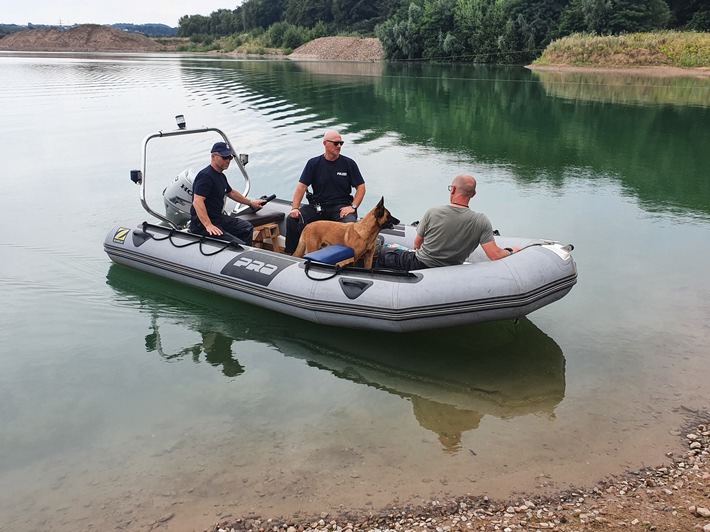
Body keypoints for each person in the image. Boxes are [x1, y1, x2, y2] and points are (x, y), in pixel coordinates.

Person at [377, 174, 521, 270]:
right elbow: (494, 255)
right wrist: (511, 250)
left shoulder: (433, 212)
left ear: (452, 190)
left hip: (420, 263)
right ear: (474, 194)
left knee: (380, 251)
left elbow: (416, 244)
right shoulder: (481, 221)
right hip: (450, 269)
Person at [284, 130, 367, 254]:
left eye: (341, 143)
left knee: (350, 226)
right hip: (318, 207)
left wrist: (353, 207)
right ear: (325, 144)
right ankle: (290, 254)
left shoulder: (349, 164)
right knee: (292, 220)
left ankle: (344, 260)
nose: (339, 146)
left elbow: (361, 187)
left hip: (341, 207)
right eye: (336, 143)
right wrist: (295, 208)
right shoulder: (313, 163)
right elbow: (301, 187)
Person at [189, 142, 265, 245]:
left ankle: (244, 253)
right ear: (213, 157)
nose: (228, 161)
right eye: (225, 157)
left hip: (218, 219)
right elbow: (197, 201)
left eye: (230, 157)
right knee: (238, 245)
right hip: (201, 225)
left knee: (246, 228)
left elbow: (231, 193)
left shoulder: (221, 176)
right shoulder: (205, 176)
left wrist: (251, 203)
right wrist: (208, 225)